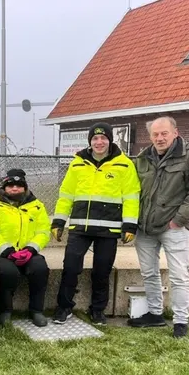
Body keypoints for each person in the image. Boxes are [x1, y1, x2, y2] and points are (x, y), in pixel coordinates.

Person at [51, 122, 141, 325]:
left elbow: (131, 198)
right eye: (95, 139)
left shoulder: (124, 165)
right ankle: (63, 307)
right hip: (80, 228)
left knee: (102, 270)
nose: (99, 142)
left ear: (110, 140)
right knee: (71, 267)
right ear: (90, 141)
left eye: (103, 138)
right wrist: (59, 221)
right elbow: (65, 195)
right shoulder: (77, 164)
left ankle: (98, 310)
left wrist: (129, 225)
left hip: (108, 229)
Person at [128, 116, 189, 338]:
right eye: (155, 134)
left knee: (179, 275)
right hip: (145, 227)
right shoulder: (143, 158)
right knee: (149, 272)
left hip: (173, 227)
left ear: (175, 132)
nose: (160, 138)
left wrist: (177, 221)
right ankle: (154, 313)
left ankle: (180, 321)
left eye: (164, 133)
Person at [0, 169, 50, 327]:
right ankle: (6, 310)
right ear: (4, 187)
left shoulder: (37, 206)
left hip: (28, 251)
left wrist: (31, 250)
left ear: (25, 187)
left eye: (19, 185)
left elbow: (43, 231)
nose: (14, 189)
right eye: (10, 185)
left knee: (40, 269)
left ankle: (36, 311)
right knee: (8, 272)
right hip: (1, 252)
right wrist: (8, 251)